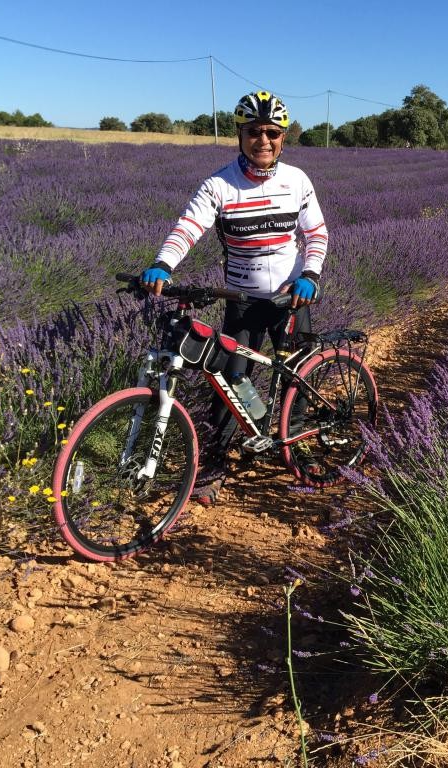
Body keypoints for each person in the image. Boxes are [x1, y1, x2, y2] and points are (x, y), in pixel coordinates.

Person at [140, 91, 328, 504]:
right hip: (241, 298)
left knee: (294, 375)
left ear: (283, 137)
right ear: (240, 135)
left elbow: (316, 234)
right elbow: (188, 227)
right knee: (229, 379)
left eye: (272, 133)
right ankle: (216, 461)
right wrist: (163, 263)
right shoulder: (220, 185)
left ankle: (295, 446)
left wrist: (310, 274)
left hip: (291, 300)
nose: (264, 140)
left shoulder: (297, 181)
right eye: (254, 132)